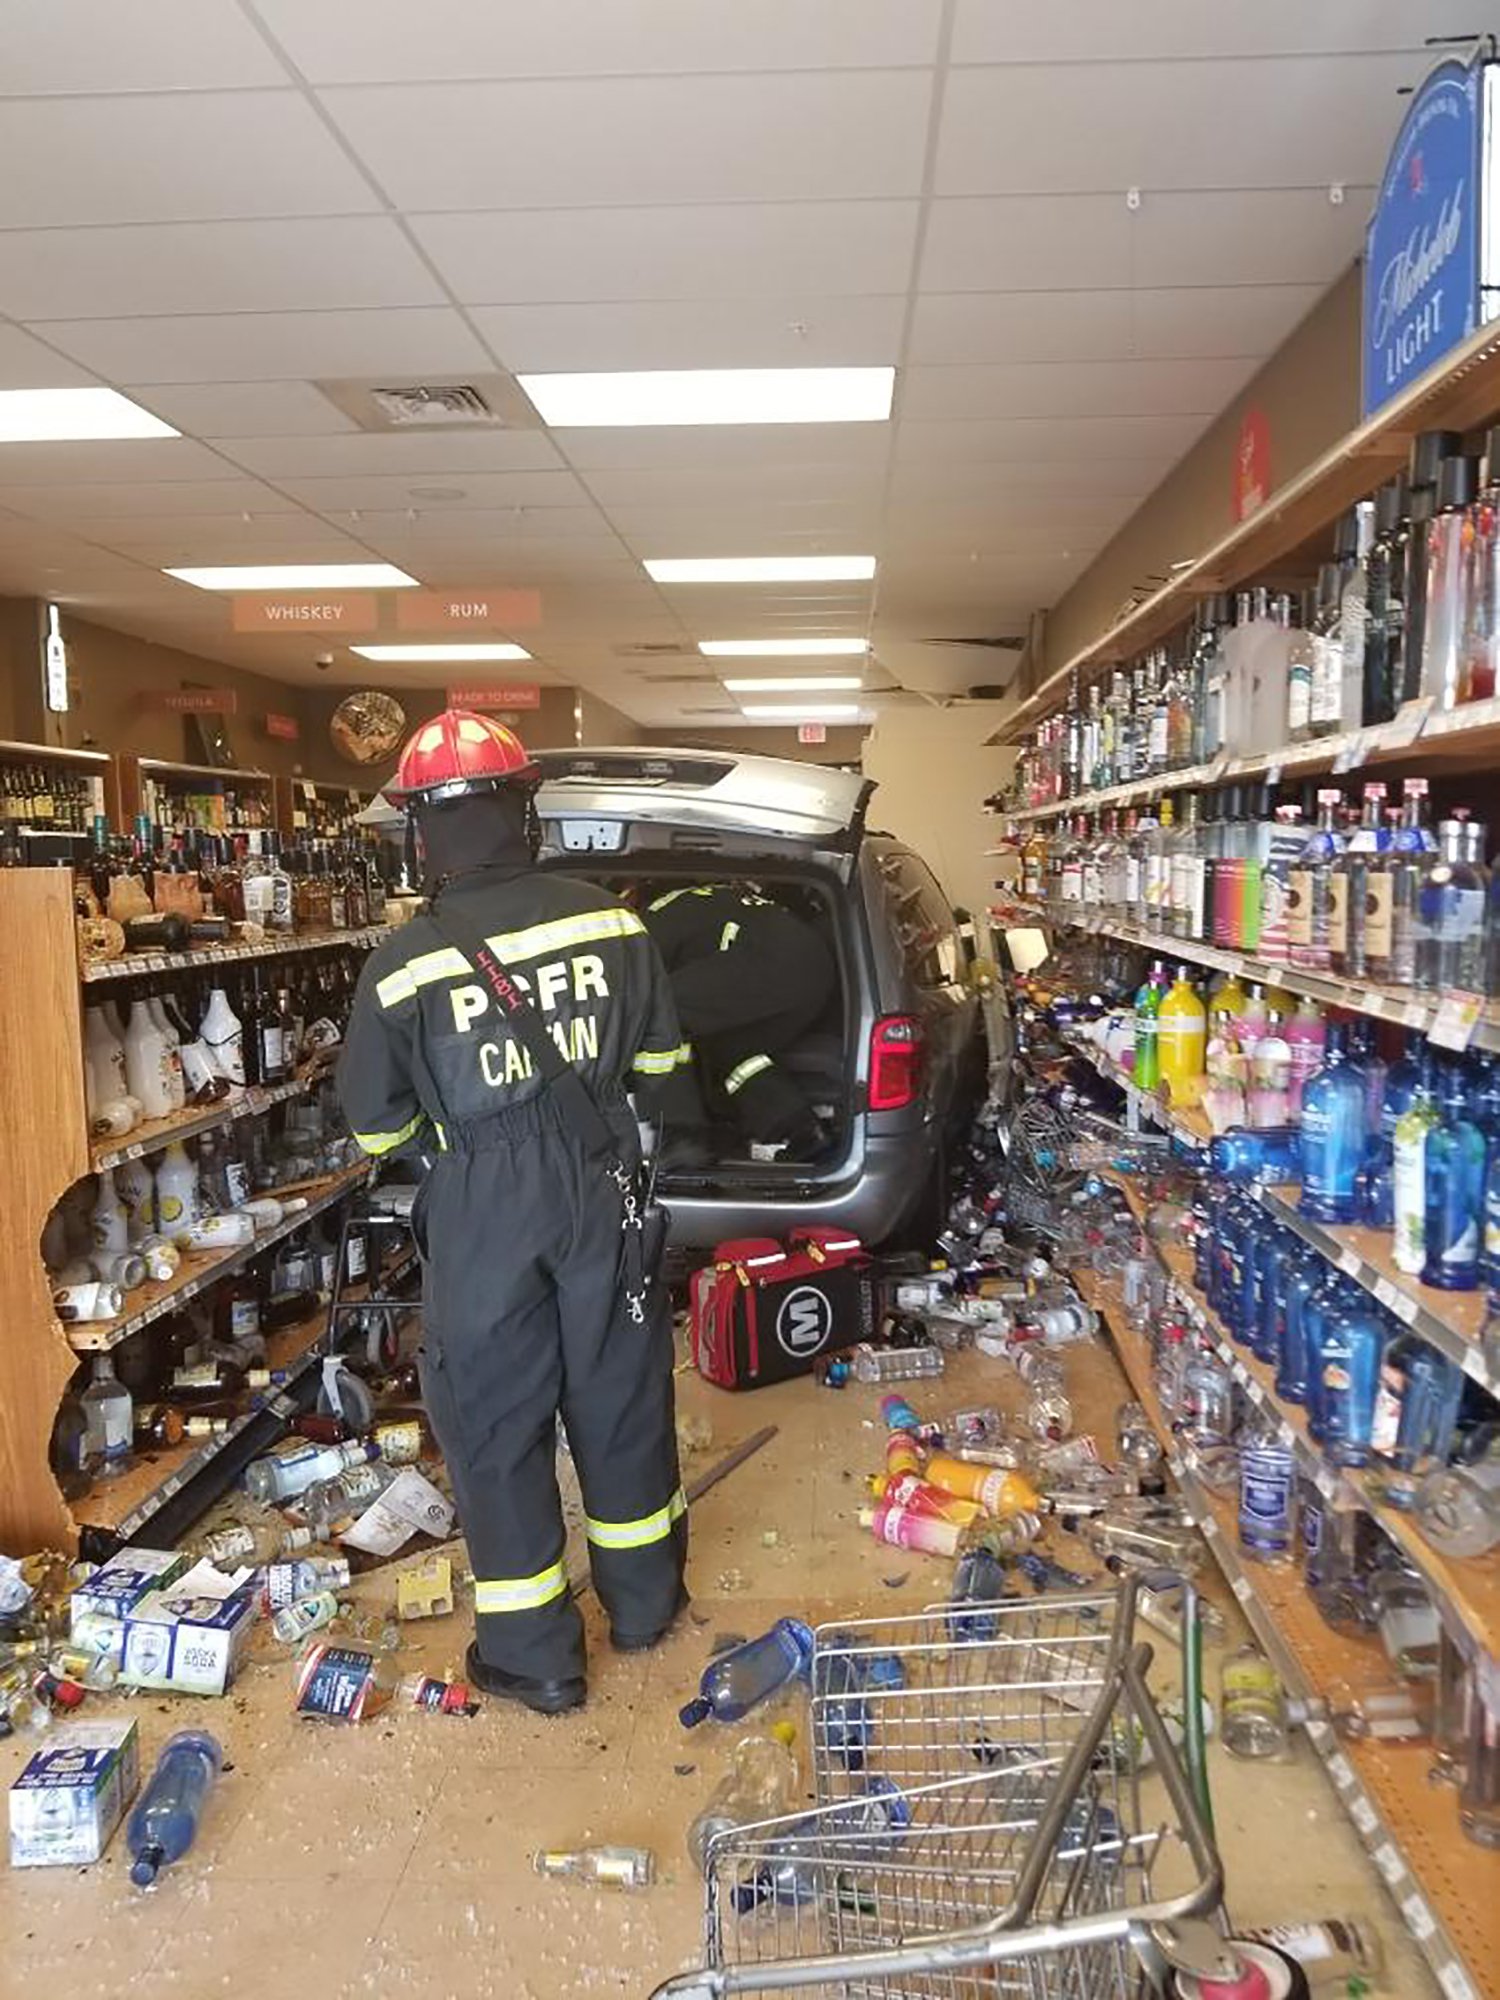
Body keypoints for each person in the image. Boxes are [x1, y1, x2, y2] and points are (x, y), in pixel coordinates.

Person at [337, 710, 691, 1715]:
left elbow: (376, 1128)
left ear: (422, 832)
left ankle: (537, 1656)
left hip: (484, 1204)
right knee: (620, 1395)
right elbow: (663, 1065)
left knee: (495, 1418)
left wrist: (470, 1139)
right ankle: (644, 1605)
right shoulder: (611, 923)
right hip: (601, 1181)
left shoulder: (403, 963)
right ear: (523, 811)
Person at [644, 882, 836, 1154]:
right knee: (730, 1049)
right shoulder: (699, 901)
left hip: (769, 958)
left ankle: (682, 1137)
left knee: (657, 1013)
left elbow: (632, 998)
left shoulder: (641, 926)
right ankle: (801, 1131)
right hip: (814, 970)